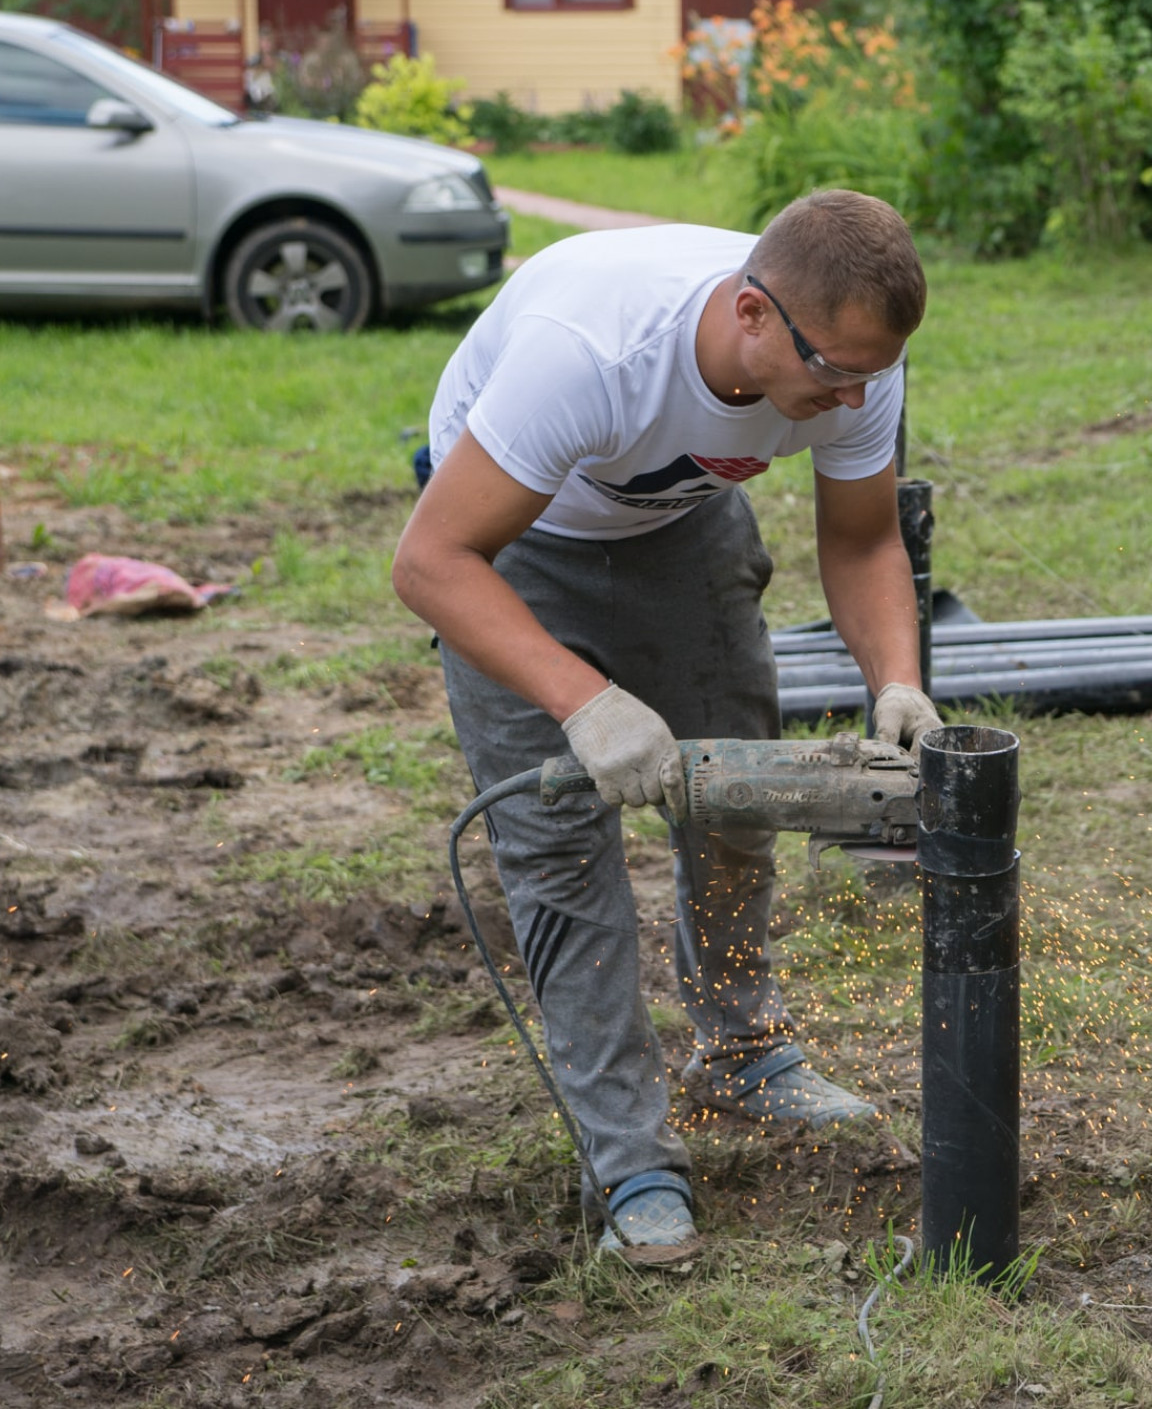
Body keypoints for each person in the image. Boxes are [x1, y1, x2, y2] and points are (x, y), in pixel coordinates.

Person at [391, 190, 942, 1261]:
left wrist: (897, 681)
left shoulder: (853, 352)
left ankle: (740, 1050)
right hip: (512, 538)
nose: (850, 397)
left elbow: (866, 536)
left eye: (868, 374)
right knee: (561, 856)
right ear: (749, 315)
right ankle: (628, 1158)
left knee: (736, 794)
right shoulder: (591, 353)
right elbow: (430, 562)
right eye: (830, 372)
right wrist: (583, 702)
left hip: (680, 528)